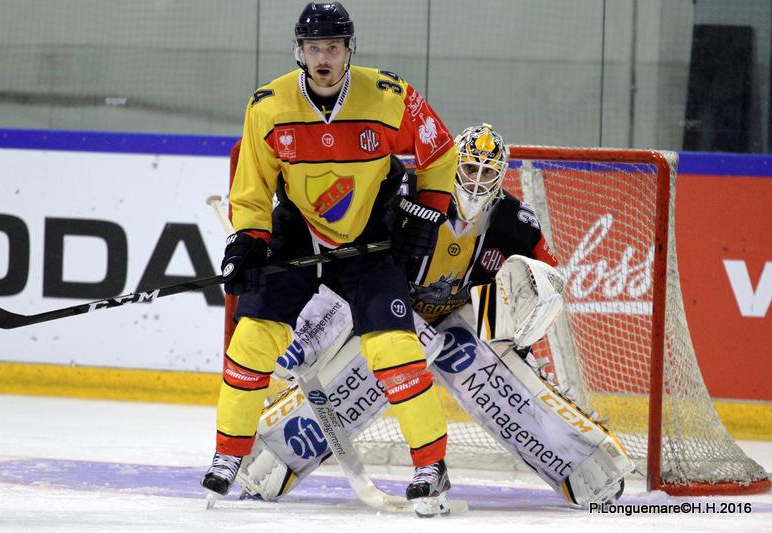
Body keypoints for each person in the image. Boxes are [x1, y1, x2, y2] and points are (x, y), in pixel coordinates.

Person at [233, 123, 634, 509]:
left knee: (479, 364)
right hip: (391, 313)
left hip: (464, 316)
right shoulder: (405, 192)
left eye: (487, 172)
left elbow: (546, 282)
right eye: (470, 168)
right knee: (385, 355)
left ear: (501, 176)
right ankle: (273, 450)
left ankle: (579, 458)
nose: (476, 180)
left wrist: (525, 318)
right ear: (454, 164)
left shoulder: (517, 222)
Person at [201, 2, 459, 516]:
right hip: (300, 231)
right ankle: (229, 454)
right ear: (299, 51)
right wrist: (247, 241)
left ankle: (431, 466)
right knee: (252, 336)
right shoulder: (268, 105)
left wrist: (427, 217)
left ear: (349, 50)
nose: (324, 58)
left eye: (333, 48)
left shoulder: (388, 95)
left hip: (372, 235)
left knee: (393, 347)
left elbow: (440, 151)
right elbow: (252, 187)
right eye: (314, 48)